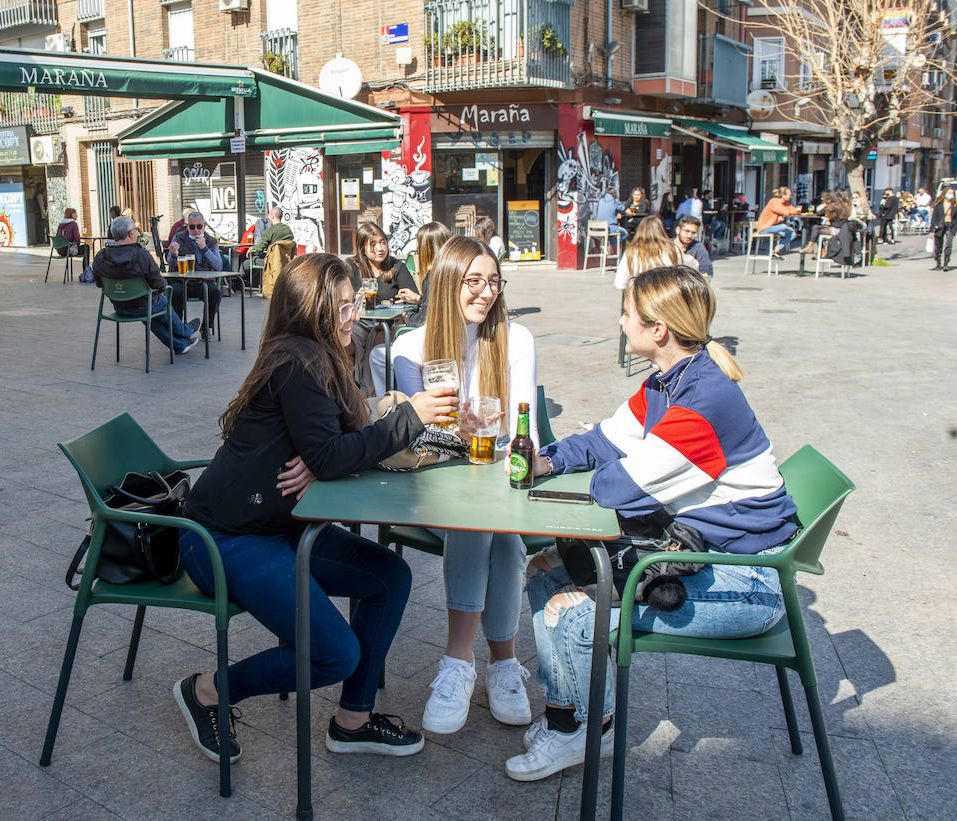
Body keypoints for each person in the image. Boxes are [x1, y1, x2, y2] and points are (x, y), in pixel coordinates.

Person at [504, 266, 798, 781]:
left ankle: (584, 730)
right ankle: (572, 712)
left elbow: (620, 489)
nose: (621, 321)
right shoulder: (670, 380)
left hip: (747, 578)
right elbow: (604, 440)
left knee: (573, 610)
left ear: (658, 329)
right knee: (546, 569)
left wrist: (613, 471)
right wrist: (545, 460)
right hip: (704, 553)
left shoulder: (703, 400)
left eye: (628, 313)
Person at [175, 253, 459, 763]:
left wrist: (323, 453)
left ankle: (353, 720)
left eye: (356, 304)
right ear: (310, 311)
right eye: (342, 308)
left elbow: (334, 443)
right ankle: (207, 691)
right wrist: (402, 420)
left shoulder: (324, 352)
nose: (355, 316)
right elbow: (332, 453)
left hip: (285, 526)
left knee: (389, 577)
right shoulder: (297, 359)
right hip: (225, 538)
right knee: (334, 653)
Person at [391, 237, 538, 734]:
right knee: (477, 524)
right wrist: (464, 434)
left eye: (494, 280)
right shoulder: (409, 347)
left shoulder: (516, 340)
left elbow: (525, 433)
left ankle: (476, 666)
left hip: (496, 482)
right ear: (449, 282)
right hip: (433, 488)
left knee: (496, 528)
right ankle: (488, 662)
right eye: (474, 280)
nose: (486, 292)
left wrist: (499, 448)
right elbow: (419, 434)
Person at [91, 215, 201, 354]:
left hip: (119, 306)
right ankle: (185, 331)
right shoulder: (141, 255)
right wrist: (160, 290)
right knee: (157, 302)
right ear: (131, 233)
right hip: (142, 305)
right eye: (135, 230)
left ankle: (179, 344)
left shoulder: (100, 256)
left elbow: (99, 282)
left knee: (150, 307)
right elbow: (159, 283)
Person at [347, 222, 420, 394]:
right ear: (362, 248)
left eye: (383, 242)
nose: (380, 248)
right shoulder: (351, 267)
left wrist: (405, 299)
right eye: (373, 244)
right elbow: (342, 299)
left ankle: (376, 396)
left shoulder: (396, 267)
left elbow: (413, 301)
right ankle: (351, 394)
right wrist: (356, 296)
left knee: (380, 339)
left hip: (390, 323)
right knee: (346, 346)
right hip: (360, 322)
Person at [166, 210, 223, 332]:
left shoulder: (211, 241)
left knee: (215, 293)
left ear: (204, 226)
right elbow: (170, 263)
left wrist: (204, 248)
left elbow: (218, 266)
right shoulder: (179, 237)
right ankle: (178, 329)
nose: (196, 230)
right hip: (181, 281)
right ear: (187, 227)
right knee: (174, 292)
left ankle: (206, 327)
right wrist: (173, 255)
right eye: (192, 227)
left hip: (202, 282)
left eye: (199, 227)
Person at [613, 217, 691, 291]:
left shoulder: (631, 252)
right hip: (666, 297)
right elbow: (691, 266)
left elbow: (620, 283)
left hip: (640, 296)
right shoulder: (672, 249)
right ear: (662, 230)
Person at [754, 187, 800, 258]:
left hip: (773, 227)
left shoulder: (785, 204)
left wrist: (795, 211)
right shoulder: (774, 202)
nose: (791, 197)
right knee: (784, 226)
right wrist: (791, 211)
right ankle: (774, 251)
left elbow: (794, 210)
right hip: (764, 228)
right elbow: (785, 212)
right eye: (789, 195)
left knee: (793, 234)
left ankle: (776, 250)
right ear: (783, 195)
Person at [55, 208, 92, 273]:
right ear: (71, 214)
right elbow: (77, 240)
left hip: (61, 251)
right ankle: (86, 272)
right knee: (86, 247)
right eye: (75, 213)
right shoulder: (73, 224)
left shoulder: (60, 225)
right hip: (69, 250)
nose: (77, 215)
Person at [932, 187, 957, 271]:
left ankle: (946, 263)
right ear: (944, 193)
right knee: (938, 244)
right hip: (940, 226)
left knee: (948, 244)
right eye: (949, 193)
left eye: (952, 193)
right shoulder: (939, 204)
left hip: (950, 226)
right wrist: (932, 229)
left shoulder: (955, 205)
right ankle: (938, 263)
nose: (950, 195)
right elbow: (934, 217)